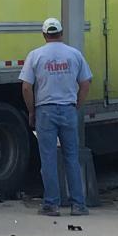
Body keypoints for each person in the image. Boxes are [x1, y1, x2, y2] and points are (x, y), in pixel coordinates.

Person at [19, 17, 92, 217]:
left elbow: (26, 86)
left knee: (49, 159)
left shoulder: (35, 56)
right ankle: (78, 205)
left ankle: (51, 204)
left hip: (45, 111)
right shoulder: (74, 55)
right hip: (68, 109)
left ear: (44, 35)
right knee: (71, 158)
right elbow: (86, 82)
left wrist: (32, 111)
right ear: (61, 33)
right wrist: (76, 104)